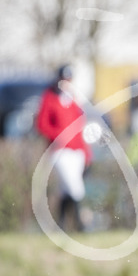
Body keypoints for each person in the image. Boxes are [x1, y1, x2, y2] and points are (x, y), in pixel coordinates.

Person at [36, 64, 92, 231]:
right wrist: (57, 135)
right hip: (60, 150)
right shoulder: (50, 97)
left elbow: (79, 127)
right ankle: (80, 225)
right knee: (74, 187)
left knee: (65, 190)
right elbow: (42, 124)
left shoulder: (74, 99)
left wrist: (86, 152)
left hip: (77, 150)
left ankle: (61, 225)